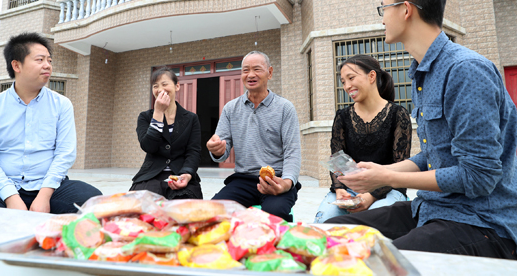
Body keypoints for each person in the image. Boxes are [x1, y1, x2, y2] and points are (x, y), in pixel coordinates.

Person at [327, 0, 517, 260]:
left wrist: (387, 178)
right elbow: (433, 156)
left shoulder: (465, 71)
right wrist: (378, 174)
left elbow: (478, 176)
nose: (381, 18)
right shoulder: (423, 73)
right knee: (332, 233)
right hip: (431, 208)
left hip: (482, 222)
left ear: (406, 10)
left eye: (383, 7)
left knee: (379, 262)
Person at [0, 32, 102, 213]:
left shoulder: (62, 104)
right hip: (1, 188)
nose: (47, 65)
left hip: (49, 187)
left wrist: (44, 196)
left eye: (49, 60)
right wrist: (11, 198)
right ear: (16, 65)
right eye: (40, 60)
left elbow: (64, 154)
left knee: (93, 200)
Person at [314, 55, 411, 223]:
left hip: (388, 189)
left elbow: (399, 166)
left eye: (351, 78)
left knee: (373, 223)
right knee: (324, 224)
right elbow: (338, 161)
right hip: (349, 189)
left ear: (372, 76)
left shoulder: (398, 114)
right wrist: (339, 190)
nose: (347, 86)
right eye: (343, 81)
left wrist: (371, 196)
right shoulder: (342, 117)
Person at [207, 51, 301, 222]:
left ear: (270, 73)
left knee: (274, 214)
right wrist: (217, 149)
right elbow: (222, 150)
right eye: (245, 70)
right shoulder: (230, 108)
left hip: (276, 178)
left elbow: (292, 151)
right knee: (215, 212)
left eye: (257, 69)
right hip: (243, 180)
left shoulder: (285, 108)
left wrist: (286, 183)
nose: (250, 75)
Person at [130, 67, 203, 199]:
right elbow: (148, 147)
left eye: (164, 84)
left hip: (180, 174)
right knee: (142, 208)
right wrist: (158, 113)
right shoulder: (145, 117)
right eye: (155, 86)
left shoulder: (191, 118)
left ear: (177, 86)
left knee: (184, 211)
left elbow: (194, 151)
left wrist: (187, 174)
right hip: (151, 175)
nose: (159, 89)